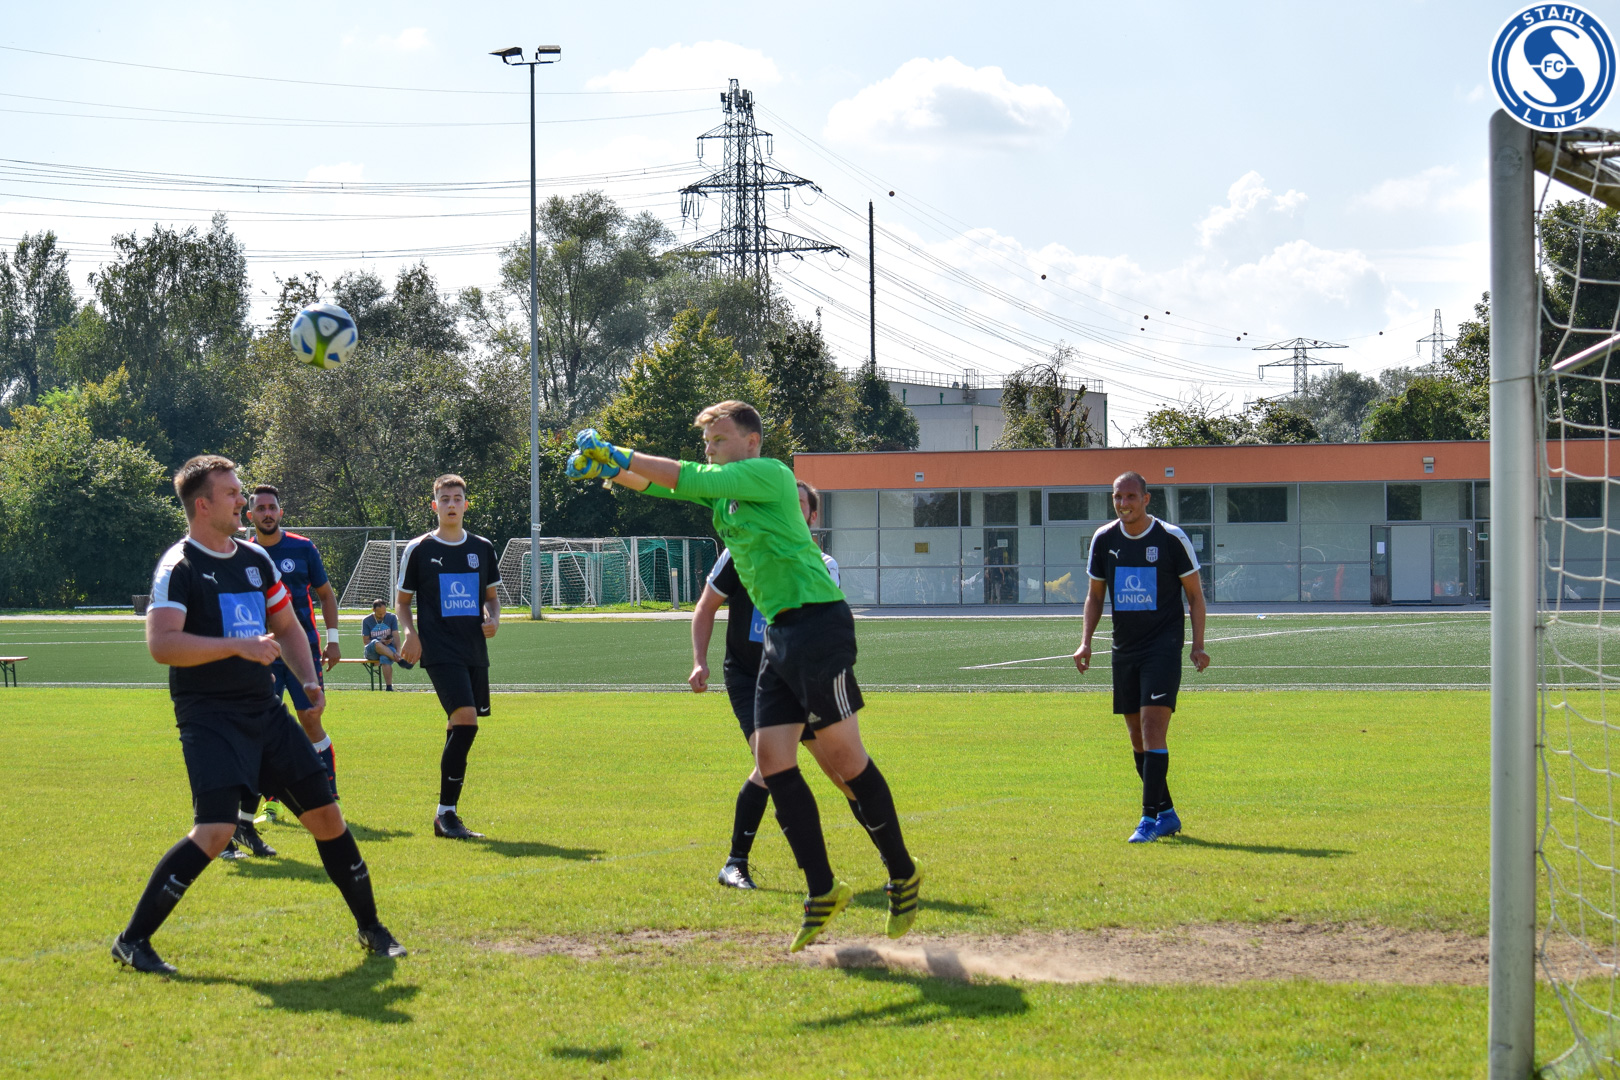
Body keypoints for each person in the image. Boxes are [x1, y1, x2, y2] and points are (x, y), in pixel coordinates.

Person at [568, 402, 920, 952]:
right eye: (706, 441)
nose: (710, 448)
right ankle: (823, 889)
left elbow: (686, 477)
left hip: (818, 623)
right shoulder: (727, 492)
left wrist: (618, 452)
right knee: (773, 761)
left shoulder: (769, 473)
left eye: (720, 438)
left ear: (751, 441)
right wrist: (612, 471)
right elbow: (665, 487)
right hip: (781, 632)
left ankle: (903, 873)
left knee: (846, 762)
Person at [112, 455, 404, 974]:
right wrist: (237, 646)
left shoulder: (255, 560)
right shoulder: (179, 566)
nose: (242, 501)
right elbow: (162, 644)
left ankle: (372, 928)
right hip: (210, 716)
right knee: (215, 830)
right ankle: (132, 941)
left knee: (327, 817)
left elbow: (287, 626)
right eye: (231, 493)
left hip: (264, 710)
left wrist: (309, 679)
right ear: (203, 505)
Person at [690, 480, 864, 891]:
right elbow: (706, 607)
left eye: (799, 504)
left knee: (843, 774)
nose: (789, 508)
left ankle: (893, 859)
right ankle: (735, 863)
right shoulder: (739, 552)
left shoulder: (822, 563)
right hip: (751, 677)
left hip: (801, 678)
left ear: (812, 516)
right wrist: (699, 660)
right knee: (771, 765)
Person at [1073, 471, 1211, 844]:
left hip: (1162, 647)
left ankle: (1147, 819)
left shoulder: (1170, 538)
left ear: (1146, 499)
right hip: (1124, 649)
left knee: (1152, 730)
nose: (1124, 504)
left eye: (1131, 496)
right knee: (1136, 737)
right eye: (1118, 497)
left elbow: (1195, 596)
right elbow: (1095, 596)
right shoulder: (1104, 539)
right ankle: (1166, 813)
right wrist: (1086, 642)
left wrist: (1197, 645)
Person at [235, 485, 341, 855]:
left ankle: (329, 795)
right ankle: (271, 804)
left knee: (310, 719)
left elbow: (325, 594)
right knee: (261, 729)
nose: (267, 513)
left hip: (303, 651)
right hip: (262, 653)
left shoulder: (303, 548)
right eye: (260, 508)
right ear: (250, 515)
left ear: (281, 512)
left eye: (272, 507)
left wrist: (333, 639)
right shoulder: (241, 554)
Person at [396, 474, 501, 841]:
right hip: (439, 649)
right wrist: (410, 634)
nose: (451, 504)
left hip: (474, 649)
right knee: (467, 723)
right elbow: (402, 602)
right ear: (434, 505)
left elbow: (491, 598)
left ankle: (446, 817)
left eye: (457, 498)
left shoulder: (482, 548)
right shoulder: (419, 549)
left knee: (458, 727)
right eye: (445, 499)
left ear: (466, 505)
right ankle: (446, 814)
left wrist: (494, 619)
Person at [361, 599, 412, 690]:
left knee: (385, 658)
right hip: (371, 651)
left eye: (384, 613)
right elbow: (366, 641)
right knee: (376, 643)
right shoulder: (366, 620)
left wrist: (398, 652)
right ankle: (399, 661)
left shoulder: (391, 617)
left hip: (388, 647)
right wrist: (381, 642)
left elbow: (396, 636)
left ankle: (389, 687)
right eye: (379, 614)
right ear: (373, 610)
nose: (382, 615)